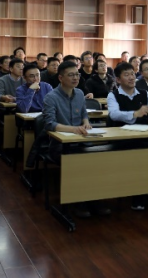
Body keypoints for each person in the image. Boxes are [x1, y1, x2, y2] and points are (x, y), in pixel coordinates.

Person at [43, 61, 109, 218]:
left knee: (98, 159)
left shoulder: (79, 93)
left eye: (77, 74)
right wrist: (73, 129)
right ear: (60, 78)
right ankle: (78, 201)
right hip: (59, 145)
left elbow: (84, 113)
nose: (75, 78)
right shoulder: (51, 97)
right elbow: (49, 124)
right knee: (79, 161)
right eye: (71, 75)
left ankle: (95, 198)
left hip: (81, 141)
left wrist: (85, 122)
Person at [107, 61, 148, 211]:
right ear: (118, 79)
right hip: (122, 137)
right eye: (126, 75)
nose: (131, 78)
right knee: (137, 156)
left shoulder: (144, 93)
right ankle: (137, 194)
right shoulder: (113, 95)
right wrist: (135, 114)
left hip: (144, 135)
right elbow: (114, 114)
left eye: (132, 74)